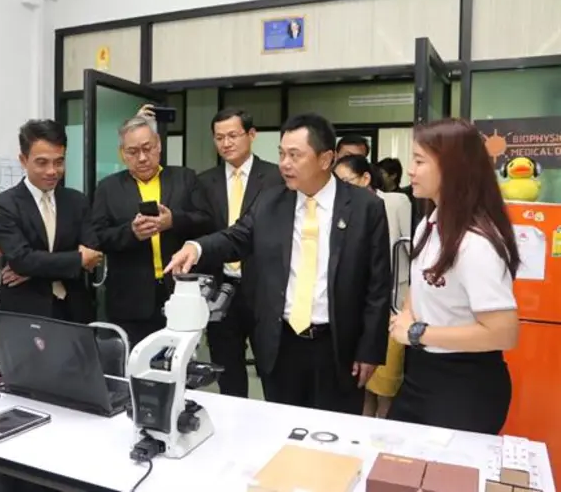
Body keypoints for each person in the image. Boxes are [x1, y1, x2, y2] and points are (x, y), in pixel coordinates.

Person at [165, 113, 391, 415]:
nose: (284, 164)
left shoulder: (366, 207)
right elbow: (237, 236)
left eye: (295, 155)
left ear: (326, 159)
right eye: (281, 154)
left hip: (338, 346)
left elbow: (378, 285)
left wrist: (370, 350)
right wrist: (197, 247)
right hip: (281, 343)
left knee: (333, 430)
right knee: (282, 426)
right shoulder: (271, 201)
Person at [388, 118, 520, 434]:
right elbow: (420, 281)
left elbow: (503, 333)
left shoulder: (475, 242)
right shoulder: (429, 224)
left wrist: (417, 332)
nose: (410, 171)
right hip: (421, 372)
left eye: (420, 161)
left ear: (452, 167)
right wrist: (407, 314)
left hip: (464, 383)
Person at [90, 115, 210, 348]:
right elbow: (97, 237)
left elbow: (207, 222)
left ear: (159, 145)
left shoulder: (185, 178)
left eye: (147, 148)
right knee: (133, 361)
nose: (142, 158)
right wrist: (131, 233)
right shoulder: (108, 188)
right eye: (133, 152)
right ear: (122, 153)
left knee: (177, 360)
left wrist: (173, 221)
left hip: (179, 291)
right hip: (129, 298)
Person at [195, 108, 283, 398]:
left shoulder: (276, 177)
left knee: (272, 370)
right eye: (219, 137)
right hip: (221, 289)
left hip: (264, 288)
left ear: (252, 135)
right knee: (227, 370)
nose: (226, 143)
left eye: (233, 135)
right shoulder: (204, 182)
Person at [0, 119, 102, 322]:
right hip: (26, 313)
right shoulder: (4, 205)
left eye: (59, 162)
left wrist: (34, 270)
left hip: (73, 310)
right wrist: (76, 259)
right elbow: (21, 260)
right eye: (42, 162)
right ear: (23, 160)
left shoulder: (77, 201)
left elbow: (92, 253)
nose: (52, 171)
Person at [333, 154, 412, 418]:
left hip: (392, 302)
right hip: (356, 305)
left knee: (385, 383)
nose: (341, 188)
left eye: (347, 181)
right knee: (362, 385)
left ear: (366, 178)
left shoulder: (395, 202)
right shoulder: (339, 208)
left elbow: (410, 247)